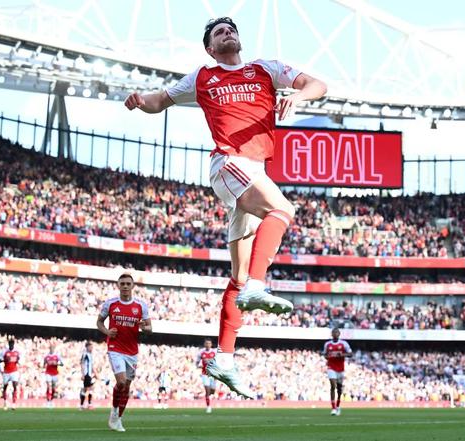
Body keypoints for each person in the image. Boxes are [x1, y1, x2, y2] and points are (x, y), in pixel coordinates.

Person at [124, 16, 327, 398]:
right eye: (219, 32)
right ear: (210, 48)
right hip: (229, 162)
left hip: (254, 170)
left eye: (231, 29)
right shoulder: (203, 77)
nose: (228, 33)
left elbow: (318, 85)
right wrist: (140, 101)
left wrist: (296, 97)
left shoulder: (265, 69)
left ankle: (224, 359)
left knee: (237, 277)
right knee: (282, 210)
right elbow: (160, 101)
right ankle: (258, 286)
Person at [96, 273, 152, 432]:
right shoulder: (110, 304)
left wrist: (144, 328)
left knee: (126, 387)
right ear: (118, 285)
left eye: (128, 283)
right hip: (115, 348)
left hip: (132, 351)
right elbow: (99, 322)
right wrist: (107, 332)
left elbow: (150, 328)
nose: (125, 286)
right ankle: (114, 412)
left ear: (133, 286)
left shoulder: (141, 305)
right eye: (123, 283)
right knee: (120, 382)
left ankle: (118, 419)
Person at [322, 328, 352, 416]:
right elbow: (324, 354)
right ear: (331, 334)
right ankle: (333, 408)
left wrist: (342, 354)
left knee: (339, 388)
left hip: (340, 368)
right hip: (331, 367)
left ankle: (338, 405)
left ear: (339, 334)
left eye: (337, 333)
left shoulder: (344, 343)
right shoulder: (327, 344)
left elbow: (350, 354)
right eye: (334, 333)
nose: (335, 334)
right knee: (333, 385)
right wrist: (328, 356)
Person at [196, 338, 218, 413]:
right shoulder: (201, 352)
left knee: (213, 390)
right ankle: (208, 406)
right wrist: (199, 366)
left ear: (211, 344)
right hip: (205, 374)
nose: (208, 345)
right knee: (207, 390)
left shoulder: (214, 352)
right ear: (204, 344)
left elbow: (218, 361)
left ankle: (210, 397)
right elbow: (197, 362)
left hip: (213, 374)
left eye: (209, 343)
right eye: (206, 343)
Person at [0, 338, 20, 410]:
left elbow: (19, 360)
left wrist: (18, 361)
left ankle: (14, 403)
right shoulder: (4, 352)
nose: (11, 345)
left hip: (14, 371)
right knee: (5, 387)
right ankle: (5, 402)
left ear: (13, 344)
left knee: (15, 386)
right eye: (10, 344)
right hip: (6, 372)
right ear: (8, 344)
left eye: (12, 344)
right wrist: (4, 360)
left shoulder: (17, 352)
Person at [43, 344, 64, 408]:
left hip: (55, 373)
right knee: (48, 386)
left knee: (53, 388)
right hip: (48, 373)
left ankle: (51, 400)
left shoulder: (57, 356)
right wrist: (46, 365)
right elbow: (44, 364)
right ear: (49, 348)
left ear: (54, 349)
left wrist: (56, 363)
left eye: (53, 348)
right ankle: (48, 400)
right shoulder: (46, 356)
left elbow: (62, 364)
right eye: (51, 348)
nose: (52, 349)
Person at [79, 341, 96, 410]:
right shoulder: (85, 354)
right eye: (90, 347)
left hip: (90, 374)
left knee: (89, 388)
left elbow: (91, 366)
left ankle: (87, 404)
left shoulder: (91, 355)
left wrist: (95, 373)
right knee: (86, 389)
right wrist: (83, 374)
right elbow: (82, 364)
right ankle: (84, 405)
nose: (92, 348)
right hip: (86, 374)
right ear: (87, 347)